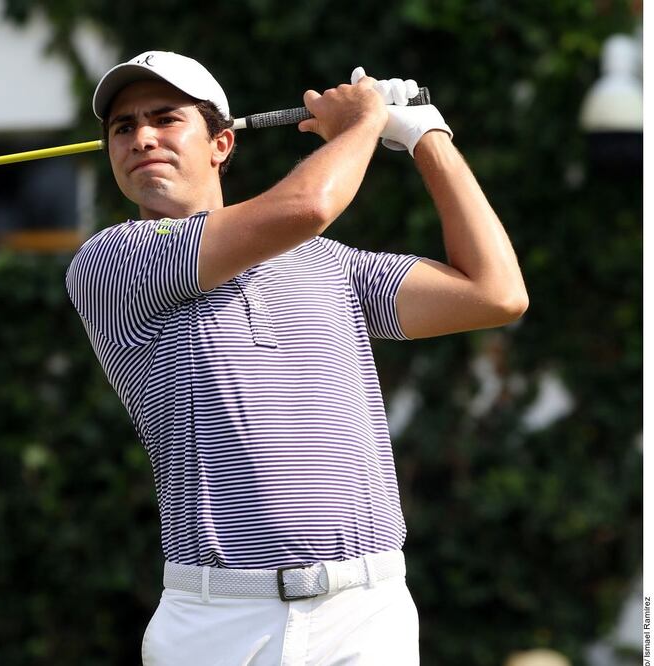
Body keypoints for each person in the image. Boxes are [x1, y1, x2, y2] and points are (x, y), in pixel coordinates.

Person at [65, 50, 527, 665]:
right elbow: (309, 206)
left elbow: (496, 293)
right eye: (124, 128)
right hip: (219, 621)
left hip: (364, 611)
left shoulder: (330, 264)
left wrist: (426, 136)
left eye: (165, 118)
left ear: (221, 143)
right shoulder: (114, 259)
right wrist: (364, 120)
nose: (142, 138)